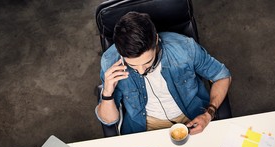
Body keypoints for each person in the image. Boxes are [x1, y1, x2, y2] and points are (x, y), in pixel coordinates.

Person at [95, 11, 231, 135]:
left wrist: (209, 114)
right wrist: (107, 93)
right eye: (133, 65)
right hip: (143, 127)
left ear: (155, 40)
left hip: (191, 117)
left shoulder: (185, 48)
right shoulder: (110, 61)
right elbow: (109, 121)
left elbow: (222, 76)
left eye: (147, 62)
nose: (142, 71)